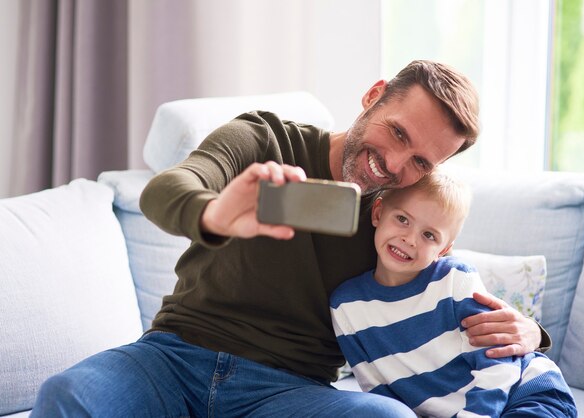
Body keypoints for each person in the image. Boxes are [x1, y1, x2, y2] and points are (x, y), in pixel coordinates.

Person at [32, 60, 550, 417]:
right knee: (68, 397)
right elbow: (167, 189)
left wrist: (528, 335)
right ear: (372, 96)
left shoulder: (396, 216)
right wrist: (216, 215)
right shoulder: (264, 139)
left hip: (287, 391)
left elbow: (445, 290)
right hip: (172, 357)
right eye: (397, 133)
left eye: (420, 161)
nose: (393, 165)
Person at [330, 169, 577, 417]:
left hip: (525, 390)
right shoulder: (345, 305)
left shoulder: (454, 279)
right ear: (378, 212)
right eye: (402, 219)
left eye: (429, 235)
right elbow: (375, 388)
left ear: (444, 248)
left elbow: (498, 361)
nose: (410, 239)